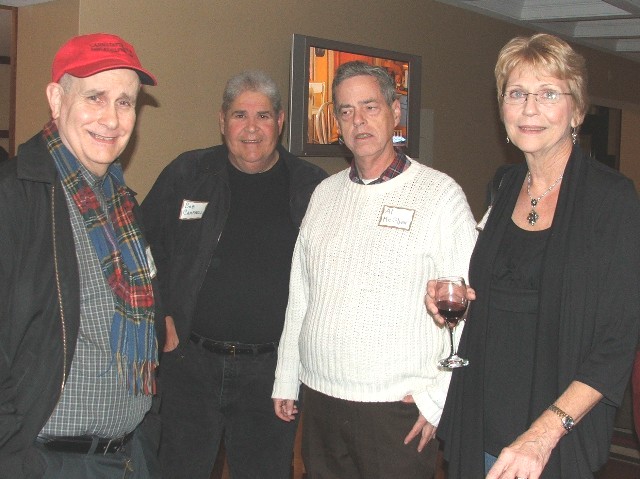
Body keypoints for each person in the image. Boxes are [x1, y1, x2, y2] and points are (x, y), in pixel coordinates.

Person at [429, 33, 640, 479]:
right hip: (480, 417)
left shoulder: (612, 199)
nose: (529, 109)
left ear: (576, 110)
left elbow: (617, 341)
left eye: (548, 94)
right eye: (517, 93)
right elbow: (503, 293)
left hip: (551, 433)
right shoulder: (504, 185)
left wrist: (543, 435)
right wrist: (458, 299)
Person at [272, 60, 478, 479]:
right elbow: (301, 297)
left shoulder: (440, 195)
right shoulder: (324, 194)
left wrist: (438, 398)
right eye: (346, 111)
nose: (358, 121)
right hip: (322, 400)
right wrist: (286, 377)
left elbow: (468, 306)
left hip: (397, 409)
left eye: (370, 107)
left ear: (395, 111)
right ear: (336, 122)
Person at [141, 70, 327, 479]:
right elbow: (142, 246)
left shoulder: (312, 187)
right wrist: (160, 313)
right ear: (222, 120)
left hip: (271, 374)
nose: (251, 128)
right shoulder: (189, 173)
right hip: (189, 365)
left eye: (263, 116)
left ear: (280, 121)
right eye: (240, 115)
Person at [0, 33, 162, 479]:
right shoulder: (14, 198)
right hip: (46, 461)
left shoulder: (123, 204)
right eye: (95, 97)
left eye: (125, 102)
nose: (111, 119)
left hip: (130, 456)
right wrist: (14, 458)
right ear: (57, 100)